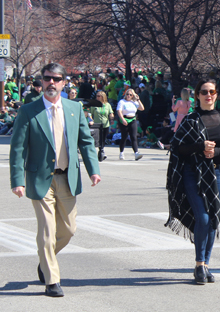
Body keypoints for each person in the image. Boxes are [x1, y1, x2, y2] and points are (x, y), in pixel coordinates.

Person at [9, 63, 101, 297]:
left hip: (67, 177)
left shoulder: (74, 108)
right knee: (47, 231)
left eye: (56, 79)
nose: (51, 83)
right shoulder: (28, 111)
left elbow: (86, 141)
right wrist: (16, 180)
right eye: (47, 78)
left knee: (69, 230)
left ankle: (45, 259)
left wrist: (93, 169)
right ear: (42, 82)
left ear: (63, 82)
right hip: (39, 178)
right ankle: (52, 280)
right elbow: (18, 147)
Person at [165, 79, 220, 285]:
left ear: (217, 95)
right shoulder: (190, 120)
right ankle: (199, 264)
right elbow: (177, 148)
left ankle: (206, 264)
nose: (209, 95)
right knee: (204, 218)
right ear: (197, 96)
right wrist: (200, 146)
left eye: (212, 91)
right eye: (204, 92)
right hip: (195, 174)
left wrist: (215, 151)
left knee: (214, 220)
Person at [116, 88, 145, 160]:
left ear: (133, 96)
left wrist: (138, 99)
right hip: (124, 119)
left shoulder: (134, 102)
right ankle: (121, 152)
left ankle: (136, 153)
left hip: (132, 119)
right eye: (127, 94)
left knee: (133, 136)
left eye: (130, 95)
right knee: (124, 137)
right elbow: (119, 111)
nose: (128, 96)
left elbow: (142, 108)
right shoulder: (122, 101)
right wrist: (122, 119)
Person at [91, 91, 114, 161]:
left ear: (103, 97)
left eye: (99, 96)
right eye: (97, 96)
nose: (97, 97)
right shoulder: (94, 105)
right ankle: (101, 151)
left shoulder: (107, 105)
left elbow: (111, 113)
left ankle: (101, 151)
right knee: (98, 139)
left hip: (105, 124)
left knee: (103, 139)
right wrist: (91, 120)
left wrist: (111, 117)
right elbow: (90, 114)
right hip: (97, 125)